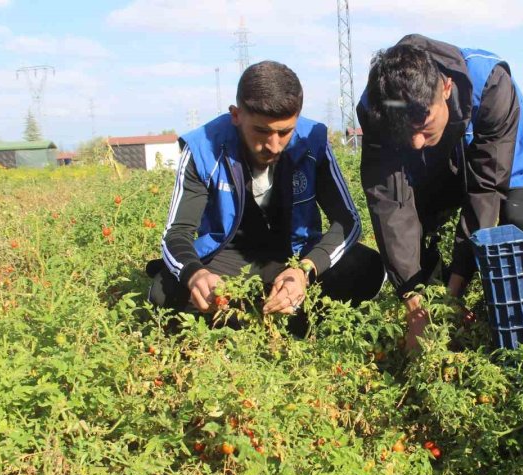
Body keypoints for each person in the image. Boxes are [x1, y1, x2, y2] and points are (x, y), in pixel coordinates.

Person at [356, 34, 523, 350]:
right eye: (405, 131)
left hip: (506, 155)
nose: (415, 141)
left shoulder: (490, 80)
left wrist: (456, 289)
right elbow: (390, 204)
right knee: (419, 225)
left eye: (423, 125)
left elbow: (486, 187)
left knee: (517, 219)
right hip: (436, 163)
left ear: (446, 88)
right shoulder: (377, 106)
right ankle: (434, 298)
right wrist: (415, 303)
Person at [147, 61, 384, 319]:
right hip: (227, 259)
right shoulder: (203, 147)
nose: (273, 145)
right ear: (236, 115)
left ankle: (256, 312)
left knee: (367, 268)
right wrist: (197, 274)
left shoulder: (311, 141)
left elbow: (347, 221)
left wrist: (305, 270)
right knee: (164, 292)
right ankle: (282, 314)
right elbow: (177, 233)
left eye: (284, 132)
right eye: (261, 131)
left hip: (294, 255)